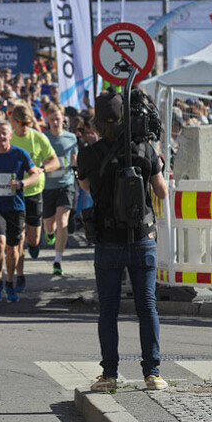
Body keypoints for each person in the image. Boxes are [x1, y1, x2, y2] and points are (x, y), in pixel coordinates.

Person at [77, 91, 169, 393]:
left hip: (108, 240)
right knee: (147, 306)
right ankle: (152, 373)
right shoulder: (144, 148)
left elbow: (87, 187)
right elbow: (162, 191)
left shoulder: (89, 153)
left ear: (97, 122)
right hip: (142, 237)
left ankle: (110, 374)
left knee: (108, 310)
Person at [0, 120, 42, 303]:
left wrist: (22, 183)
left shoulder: (20, 154)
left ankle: (10, 282)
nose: (1, 137)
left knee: (13, 250)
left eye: (4, 133)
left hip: (16, 207)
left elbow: (35, 174)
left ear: (10, 135)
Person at [9, 102, 58, 292]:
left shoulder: (38, 138)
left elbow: (54, 161)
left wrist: (42, 168)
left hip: (35, 190)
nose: (24, 127)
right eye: (21, 123)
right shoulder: (10, 139)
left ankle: (34, 244)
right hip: (15, 192)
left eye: (28, 123)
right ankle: (19, 276)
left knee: (34, 238)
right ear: (13, 121)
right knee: (17, 237)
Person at [42, 103, 78, 276]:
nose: (55, 122)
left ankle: (57, 260)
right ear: (47, 120)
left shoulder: (71, 138)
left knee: (62, 221)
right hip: (48, 186)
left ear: (63, 118)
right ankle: (50, 234)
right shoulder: (43, 137)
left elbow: (75, 158)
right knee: (49, 225)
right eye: (52, 119)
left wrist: (76, 161)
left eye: (58, 118)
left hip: (66, 183)